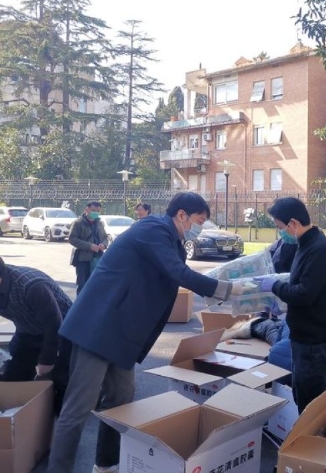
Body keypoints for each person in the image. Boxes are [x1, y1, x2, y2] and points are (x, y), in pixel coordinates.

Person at [48, 192, 245, 473]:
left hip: (123, 332)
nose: (198, 228)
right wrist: (228, 289)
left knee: (121, 399)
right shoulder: (152, 229)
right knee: (79, 407)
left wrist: (221, 289)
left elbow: (178, 273)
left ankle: (106, 465)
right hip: (99, 326)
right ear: (181, 215)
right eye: (198, 221)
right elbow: (178, 273)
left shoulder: (172, 241)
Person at [255, 197, 326, 413]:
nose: (279, 233)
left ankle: (310, 434)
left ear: (293, 223)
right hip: (304, 335)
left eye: (279, 227)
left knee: (310, 400)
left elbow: (304, 294)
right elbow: (302, 285)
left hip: (313, 340)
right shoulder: (306, 244)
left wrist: (275, 286)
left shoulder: (318, 249)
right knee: (301, 392)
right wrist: (280, 303)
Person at [221, 285, 326, 375]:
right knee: (280, 328)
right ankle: (251, 326)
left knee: (281, 327)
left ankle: (250, 326)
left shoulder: (317, 293)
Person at [0, 257, 71, 413]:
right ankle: (15, 413)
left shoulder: (31, 286)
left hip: (63, 330)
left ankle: (58, 415)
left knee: (60, 378)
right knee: (14, 374)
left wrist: (47, 359)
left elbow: (54, 323)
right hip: (27, 328)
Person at [69, 201, 108, 295]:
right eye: (93, 210)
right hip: (83, 259)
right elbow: (72, 239)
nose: (96, 213)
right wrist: (89, 246)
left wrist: (104, 245)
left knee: (97, 284)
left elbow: (105, 238)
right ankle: (81, 304)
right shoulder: (78, 223)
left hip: (97, 258)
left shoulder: (100, 223)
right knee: (82, 285)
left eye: (98, 211)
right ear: (86, 209)